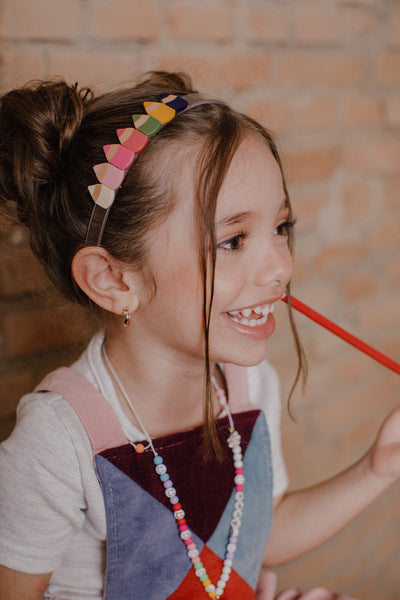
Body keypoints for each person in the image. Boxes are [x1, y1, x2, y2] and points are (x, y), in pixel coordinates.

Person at [0, 71, 398, 600]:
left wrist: (377, 469)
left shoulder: (253, 387)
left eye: (281, 228)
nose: (280, 266)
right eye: (234, 240)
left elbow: (256, 535)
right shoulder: (56, 444)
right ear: (114, 280)